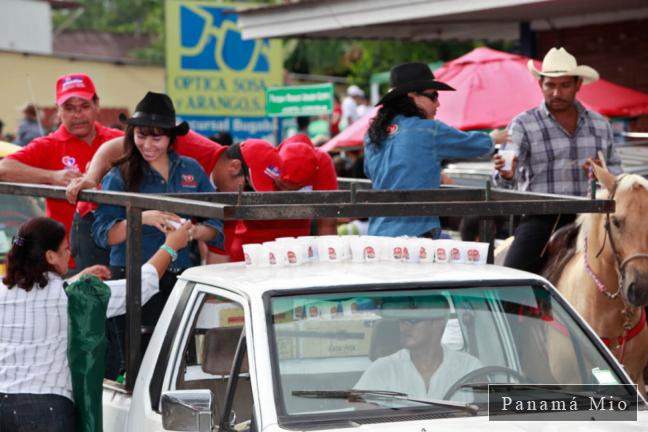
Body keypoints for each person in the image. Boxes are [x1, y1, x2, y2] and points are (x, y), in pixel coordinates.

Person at [0, 216, 190, 432]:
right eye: (65, 249)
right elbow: (141, 286)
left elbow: (37, 298)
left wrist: (76, 280)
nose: (69, 254)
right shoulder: (74, 298)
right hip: (45, 411)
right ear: (50, 256)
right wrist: (171, 246)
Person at [92, 92, 224, 376]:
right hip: (133, 275)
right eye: (141, 135)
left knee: (179, 364)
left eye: (157, 138)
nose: (148, 145)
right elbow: (103, 234)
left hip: (181, 277)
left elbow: (218, 226)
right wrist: (141, 218)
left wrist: (194, 232)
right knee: (136, 365)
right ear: (132, 133)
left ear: (171, 138)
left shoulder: (192, 169)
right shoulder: (120, 175)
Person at [493, 47, 622, 274]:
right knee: (513, 276)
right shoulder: (523, 124)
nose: (556, 92)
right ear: (541, 85)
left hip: (592, 216)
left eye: (564, 85)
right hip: (541, 216)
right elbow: (502, 180)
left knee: (636, 265)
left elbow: (617, 179)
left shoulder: (601, 125)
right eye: (550, 85)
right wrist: (507, 174)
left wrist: (603, 174)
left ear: (578, 84)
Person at [364, 62, 509, 239]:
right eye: (433, 96)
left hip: (377, 234)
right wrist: (493, 138)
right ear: (412, 96)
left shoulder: (372, 134)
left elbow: (373, 173)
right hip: (416, 233)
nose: (438, 103)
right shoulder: (428, 130)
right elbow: (469, 144)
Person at [0, 73, 124, 269]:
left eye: (84, 106)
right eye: (69, 108)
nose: (77, 115)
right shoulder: (48, 145)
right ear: (58, 111)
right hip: (68, 263)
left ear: (96, 105)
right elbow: (3, 168)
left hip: (120, 257)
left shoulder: (117, 140)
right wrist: (51, 176)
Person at [355, 296, 482, 402]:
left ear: (438, 322)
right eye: (402, 321)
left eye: (412, 320)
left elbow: (496, 412)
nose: (403, 328)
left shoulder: (470, 368)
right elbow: (359, 408)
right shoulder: (384, 368)